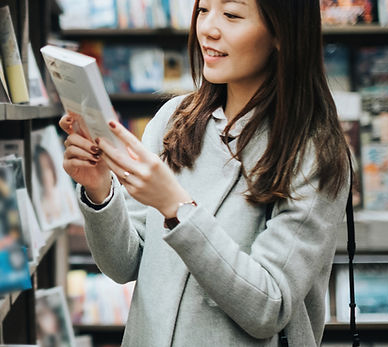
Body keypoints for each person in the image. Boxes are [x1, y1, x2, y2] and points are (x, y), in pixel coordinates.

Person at [58, 0, 351, 345]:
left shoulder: (312, 152)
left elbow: (269, 308)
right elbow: (124, 264)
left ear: (281, 34)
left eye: (231, 15)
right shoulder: (173, 120)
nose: (208, 29)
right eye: (203, 10)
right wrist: (99, 190)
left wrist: (177, 209)